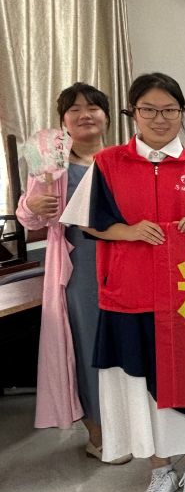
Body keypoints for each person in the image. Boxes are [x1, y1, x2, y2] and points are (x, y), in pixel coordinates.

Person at [60, 72, 185, 492]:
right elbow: (88, 222)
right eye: (149, 110)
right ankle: (159, 470)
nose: (160, 119)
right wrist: (129, 231)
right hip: (129, 296)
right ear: (133, 114)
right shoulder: (108, 163)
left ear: (182, 114)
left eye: (169, 110)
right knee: (140, 388)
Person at [17, 83, 129, 463]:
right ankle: (98, 432)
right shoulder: (53, 167)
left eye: (93, 107)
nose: (85, 115)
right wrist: (33, 205)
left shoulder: (121, 160)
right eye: (75, 109)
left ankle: (130, 426)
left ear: (106, 116)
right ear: (63, 121)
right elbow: (30, 216)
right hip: (79, 268)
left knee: (126, 343)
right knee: (87, 346)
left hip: (126, 263)